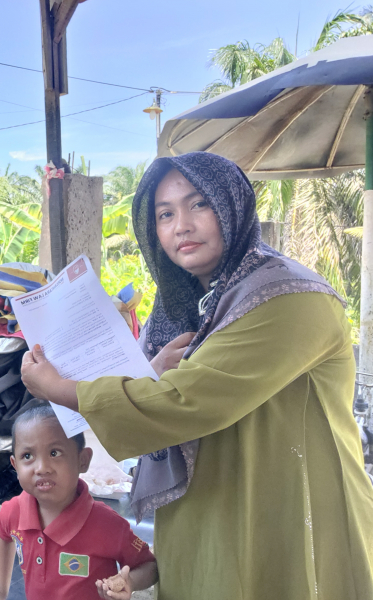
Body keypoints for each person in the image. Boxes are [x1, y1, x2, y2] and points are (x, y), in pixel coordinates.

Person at [20, 152, 373, 599]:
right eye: (165, 214)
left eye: (199, 204)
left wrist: (60, 389)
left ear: (231, 205)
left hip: (288, 514)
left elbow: (183, 401)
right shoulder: (186, 305)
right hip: (205, 516)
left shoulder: (288, 298)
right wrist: (148, 372)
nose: (181, 226)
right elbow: (156, 386)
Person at [0, 402, 157, 600]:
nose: (42, 468)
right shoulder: (12, 511)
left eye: (54, 453)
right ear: (15, 465)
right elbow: (4, 535)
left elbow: (149, 566)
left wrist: (130, 582)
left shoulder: (108, 524)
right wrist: (0, 591)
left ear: (82, 460)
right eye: (27, 456)